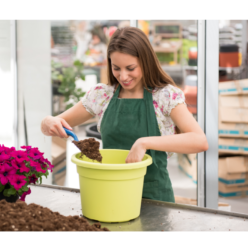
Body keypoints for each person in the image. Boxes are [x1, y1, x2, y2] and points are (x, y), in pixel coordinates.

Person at [41, 27, 208, 203]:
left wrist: (144, 143)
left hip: (153, 200)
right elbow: (58, 122)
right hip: (109, 194)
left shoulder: (165, 96)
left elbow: (200, 141)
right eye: (116, 68)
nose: (123, 76)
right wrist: (47, 121)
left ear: (145, 62)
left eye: (130, 68)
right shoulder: (102, 95)